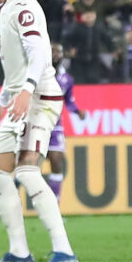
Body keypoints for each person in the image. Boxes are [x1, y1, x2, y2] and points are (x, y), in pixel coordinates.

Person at [0, 0, 77, 262]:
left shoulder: (23, 5)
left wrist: (27, 90)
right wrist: (4, 99)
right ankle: (19, 253)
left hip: (41, 96)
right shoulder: (5, 8)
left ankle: (64, 251)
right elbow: (17, 69)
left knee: (25, 170)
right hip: (23, 96)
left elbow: (40, 55)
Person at [46, 43, 87, 201]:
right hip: (35, 125)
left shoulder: (67, 79)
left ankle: (54, 208)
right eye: (52, 51)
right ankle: (14, 189)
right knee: (28, 165)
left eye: (58, 52)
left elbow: (69, 101)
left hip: (55, 127)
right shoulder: (37, 74)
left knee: (57, 163)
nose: (55, 54)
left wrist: (77, 111)